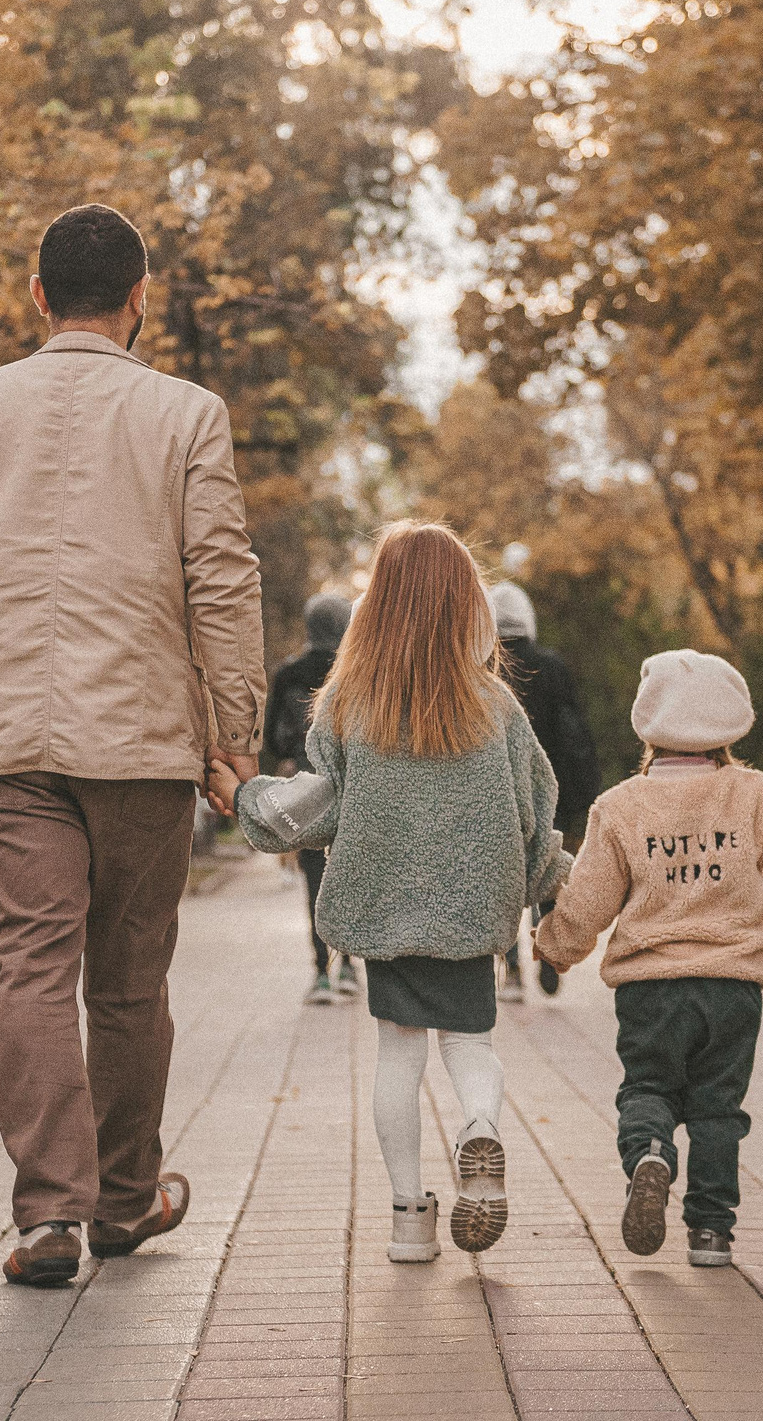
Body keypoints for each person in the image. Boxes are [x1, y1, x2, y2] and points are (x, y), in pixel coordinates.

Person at [0, 203, 266, 1288]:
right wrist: (233, 739)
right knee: (127, 977)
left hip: (4, 737)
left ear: (36, 292)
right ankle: (122, 1197)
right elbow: (223, 580)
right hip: (144, 738)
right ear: (140, 296)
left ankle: (46, 1216)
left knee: (28, 966)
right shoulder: (187, 414)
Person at [215, 521, 568, 1265]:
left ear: (379, 605)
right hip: (472, 916)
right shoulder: (496, 707)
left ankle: (409, 1219)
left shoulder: (350, 703)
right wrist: (550, 889)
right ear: (468, 604)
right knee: (471, 1044)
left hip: (384, 910)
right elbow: (536, 810)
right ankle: (479, 1127)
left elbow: (313, 804)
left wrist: (246, 796)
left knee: (397, 1057)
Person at [535, 650, 763, 1269]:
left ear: (646, 725)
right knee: (717, 1108)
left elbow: (590, 900)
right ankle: (710, 1232)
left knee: (649, 1086)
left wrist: (555, 946)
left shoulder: (621, 806)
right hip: (733, 987)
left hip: (650, 988)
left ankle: (650, 1153)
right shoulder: (753, 794)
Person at [488, 583, 602, 1001]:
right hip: (546, 786)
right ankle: (548, 950)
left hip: (498, 790)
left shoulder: (484, 667)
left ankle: (513, 971)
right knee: (545, 865)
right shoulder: (551, 667)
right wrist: (580, 789)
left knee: (503, 879)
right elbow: (575, 734)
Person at [264, 592, 359, 1005]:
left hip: (306, 787)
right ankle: (351, 966)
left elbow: (271, 737)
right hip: (353, 787)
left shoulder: (288, 674)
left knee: (315, 879)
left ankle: (321, 971)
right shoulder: (355, 669)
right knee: (353, 874)